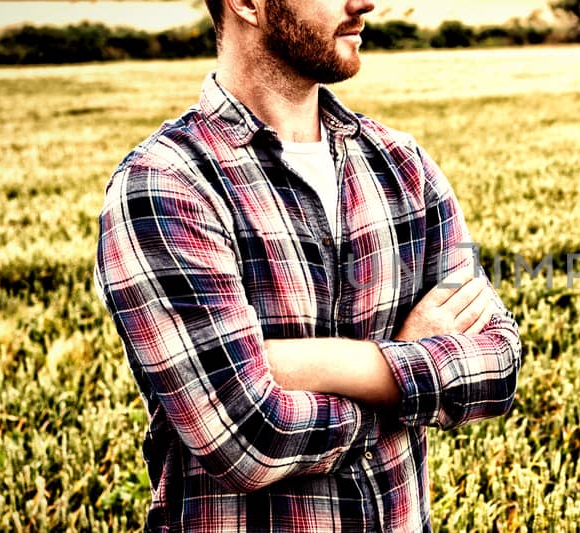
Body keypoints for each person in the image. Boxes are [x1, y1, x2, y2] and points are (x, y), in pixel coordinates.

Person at [92, 0, 523, 529]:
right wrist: (412, 373)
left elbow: (498, 366)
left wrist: (304, 366)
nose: (364, 1)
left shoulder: (401, 164)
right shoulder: (165, 185)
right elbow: (246, 437)